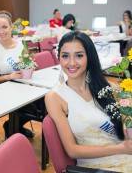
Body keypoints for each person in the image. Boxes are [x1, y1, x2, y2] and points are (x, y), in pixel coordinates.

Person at [45, 31, 132, 172]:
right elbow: (72, 151)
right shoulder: (55, 97)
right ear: (59, 58)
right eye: (65, 56)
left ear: (89, 57)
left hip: (125, 154)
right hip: (97, 167)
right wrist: (121, 148)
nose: (71, 63)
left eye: (79, 55)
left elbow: (123, 124)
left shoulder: (107, 87)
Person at [0, 11, 34, 138]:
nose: (1, 31)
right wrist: (8, 77)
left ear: (11, 27)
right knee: (29, 106)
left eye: (5, 27)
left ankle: (13, 126)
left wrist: (30, 65)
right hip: (2, 87)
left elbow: (26, 64)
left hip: (21, 84)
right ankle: (14, 129)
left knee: (39, 104)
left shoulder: (21, 45)